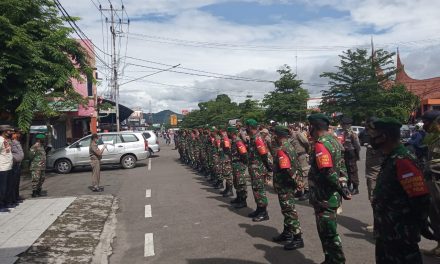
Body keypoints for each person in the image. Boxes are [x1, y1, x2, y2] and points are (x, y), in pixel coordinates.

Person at [369, 117, 431, 264]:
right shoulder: (391, 158)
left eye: (374, 135)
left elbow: (420, 197)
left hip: (400, 235)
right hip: (387, 232)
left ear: (384, 137)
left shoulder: (402, 161)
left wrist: (419, 225)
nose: (371, 138)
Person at [307, 113, 351, 264]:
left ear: (314, 127)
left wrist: (340, 188)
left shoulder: (321, 144)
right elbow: (342, 166)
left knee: (328, 233)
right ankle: (330, 259)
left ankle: (337, 260)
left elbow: (328, 171)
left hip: (324, 196)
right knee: (327, 231)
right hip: (330, 194)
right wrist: (343, 184)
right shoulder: (334, 140)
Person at [271, 125, 304, 251]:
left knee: (289, 211)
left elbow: (287, 169)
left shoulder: (282, 149)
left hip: (285, 185)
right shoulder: (289, 146)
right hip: (288, 184)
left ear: (277, 136)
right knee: (287, 210)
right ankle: (287, 232)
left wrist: (298, 183)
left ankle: (297, 238)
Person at [421, 110, 440, 257]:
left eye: (427, 122)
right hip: (432, 184)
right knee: (434, 216)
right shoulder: (433, 138)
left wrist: (429, 165)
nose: (424, 125)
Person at [246, 119, 271, 222]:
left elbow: (264, 155)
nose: (246, 129)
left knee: (259, 190)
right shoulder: (253, 138)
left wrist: (268, 168)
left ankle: (263, 212)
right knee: (256, 190)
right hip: (254, 168)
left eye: (247, 127)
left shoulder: (258, 139)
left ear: (250, 127)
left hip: (258, 169)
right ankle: (259, 209)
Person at [364, 118, 383, 232]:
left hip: (376, 175)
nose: (367, 131)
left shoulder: (381, 140)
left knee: (375, 201)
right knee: (373, 201)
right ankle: (377, 223)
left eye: (368, 128)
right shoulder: (373, 140)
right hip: (371, 174)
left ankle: (379, 225)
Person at [289, 123, 311, 201]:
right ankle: (299, 190)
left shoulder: (297, 134)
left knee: (305, 173)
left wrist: (306, 152)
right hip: (295, 157)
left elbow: (306, 143)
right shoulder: (289, 137)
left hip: (302, 156)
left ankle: (307, 191)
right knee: (297, 174)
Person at [228, 126, 248, 209]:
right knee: (236, 182)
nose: (227, 134)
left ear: (232, 133)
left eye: (228, 132)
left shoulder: (238, 142)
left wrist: (243, 164)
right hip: (235, 165)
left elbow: (244, 154)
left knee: (241, 183)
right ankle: (238, 198)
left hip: (239, 165)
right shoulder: (233, 141)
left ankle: (243, 201)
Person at [340, 117, 361, 194]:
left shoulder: (352, 134)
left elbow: (357, 146)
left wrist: (357, 155)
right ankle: (348, 185)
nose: (342, 126)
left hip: (351, 153)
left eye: (343, 125)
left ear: (348, 125)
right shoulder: (344, 133)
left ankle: (355, 187)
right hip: (346, 153)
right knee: (347, 169)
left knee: (353, 170)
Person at [0, 125, 14, 212]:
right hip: (2, 168)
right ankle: (1, 205)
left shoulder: (6, 140)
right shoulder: (0, 140)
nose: (10, 132)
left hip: (8, 167)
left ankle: (6, 203)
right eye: (9, 131)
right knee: (2, 188)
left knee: (8, 187)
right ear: (4, 131)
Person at [10, 128, 24, 204]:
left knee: (17, 182)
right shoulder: (11, 142)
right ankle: (13, 198)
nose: (19, 135)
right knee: (13, 182)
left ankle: (16, 196)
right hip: (13, 165)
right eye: (18, 133)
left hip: (18, 164)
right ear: (14, 134)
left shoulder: (17, 142)